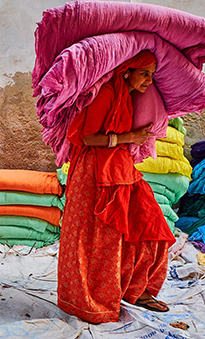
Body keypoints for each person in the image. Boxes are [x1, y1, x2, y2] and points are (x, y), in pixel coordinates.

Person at [57, 51, 176, 323]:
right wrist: (129, 137)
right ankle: (91, 300)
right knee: (98, 241)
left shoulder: (126, 95)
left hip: (120, 168)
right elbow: (88, 136)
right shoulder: (106, 93)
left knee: (151, 226)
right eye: (144, 73)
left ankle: (140, 290)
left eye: (152, 75)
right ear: (126, 71)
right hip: (94, 172)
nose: (149, 80)